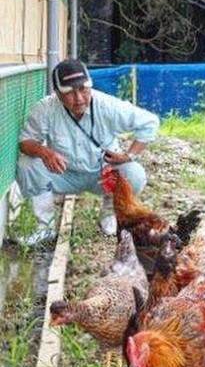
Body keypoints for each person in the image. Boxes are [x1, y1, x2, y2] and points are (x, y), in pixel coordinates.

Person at [16, 60, 159, 247]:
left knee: (134, 174)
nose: (79, 98)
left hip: (102, 174)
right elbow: (25, 142)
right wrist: (44, 152)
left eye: (83, 89)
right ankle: (45, 228)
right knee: (28, 164)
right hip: (63, 173)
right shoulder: (45, 109)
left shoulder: (107, 105)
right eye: (69, 92)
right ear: (58, 94)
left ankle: (109, 214)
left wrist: (128, 155)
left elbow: (150, 122)